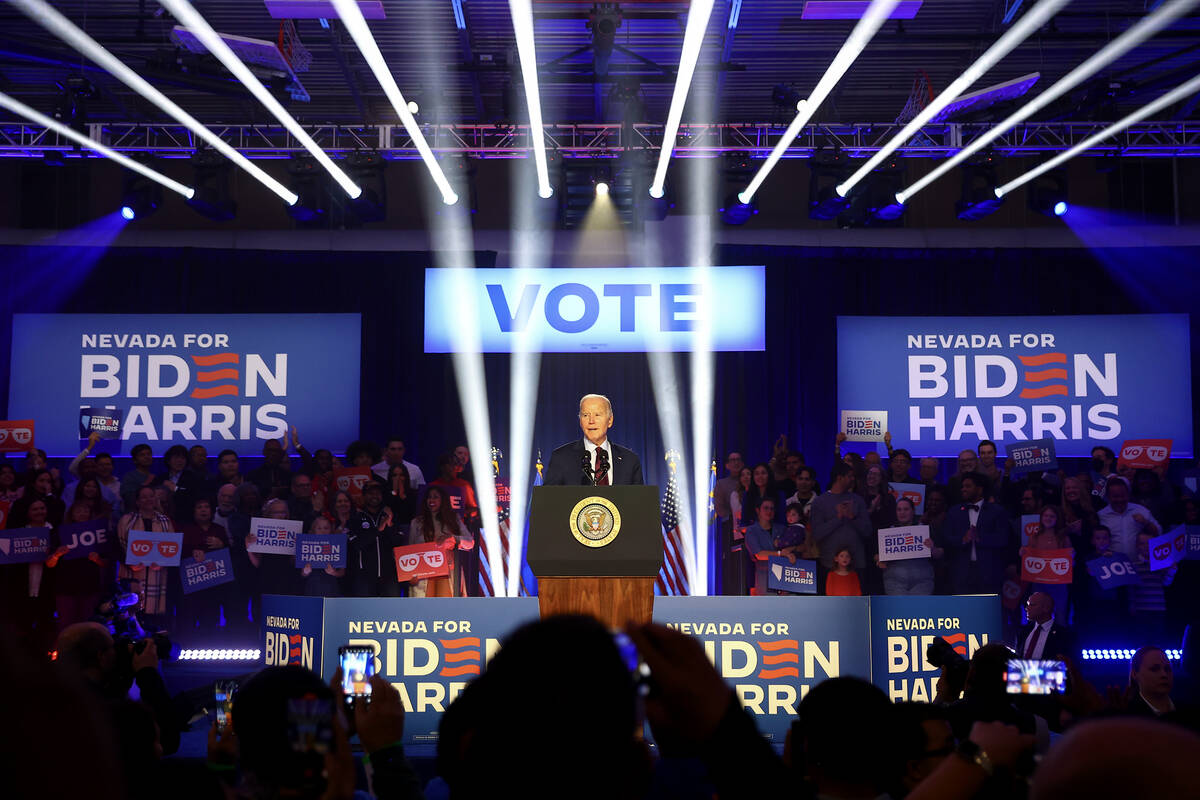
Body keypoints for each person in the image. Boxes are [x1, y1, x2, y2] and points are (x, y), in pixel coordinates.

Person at [543, 394, 644, 486]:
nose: (591, 421)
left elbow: (639, 502)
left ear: (610, 420)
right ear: (580, 421)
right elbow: (549, 501)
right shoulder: (561, 457)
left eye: (597, 415)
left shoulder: (630, 460)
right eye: (585, 415)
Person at [46, 500, 114, 631]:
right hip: (65, 587)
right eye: (78, 511)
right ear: (71, 514)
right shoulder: (60, 533)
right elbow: (49, 564)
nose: (82, 513)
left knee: (86, 625)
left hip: (89, 586)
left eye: (86, 510)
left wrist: (97, 559)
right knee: (65, 625)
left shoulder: (99, 533)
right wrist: (57, 555)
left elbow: (107, 563)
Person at [944, 472, 1012, 595]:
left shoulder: (997, 511)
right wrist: (963, 539)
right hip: (962, 572)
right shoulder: (954, 512)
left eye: (968, 486)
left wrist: (980, 538)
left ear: (980, 489)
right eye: (962, 486)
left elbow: (1003, 538)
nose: (963, 489)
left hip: (989, 572)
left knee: (988, 612)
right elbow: (948, 539)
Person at [116, 485, 175, 622]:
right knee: (132, 612)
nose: (148, 499)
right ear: (137, 501)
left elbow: (171, 547)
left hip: (157, 574)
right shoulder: (127, 520)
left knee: (154, 617)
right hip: (132, 573)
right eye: (144, 497)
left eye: (151, 496)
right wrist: (129, 562)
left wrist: (162, 562)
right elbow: (119, 546)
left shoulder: (165, 521)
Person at [810, 462, 872, 587]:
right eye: (850, 476)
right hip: (830, 565)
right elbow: (817, 534)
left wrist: (852, 517)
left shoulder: (857, 500)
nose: (853, 479)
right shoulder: (820, 502)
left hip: (856, 565)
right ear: (839, 478)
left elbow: (868, 531)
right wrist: (838, 518)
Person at [407, 485, 474, 597]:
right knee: (424, 609)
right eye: (429, 497)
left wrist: (452, 538)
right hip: (423, 572)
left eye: (435, 497)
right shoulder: (417, 522)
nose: (431, 500)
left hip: (447, 570)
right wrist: (410, 574)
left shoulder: (453, 519)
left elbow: (470, 542)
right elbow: (410, 550)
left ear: (443, 500)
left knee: (447, 608)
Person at [179, 497, 231, 633]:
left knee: (211, 621)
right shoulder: (185, 530)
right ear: (194, 511)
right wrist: (191, 552)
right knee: (188, 622)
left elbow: (230, 554)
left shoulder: (219, 529)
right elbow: (176, 553)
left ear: (212, 511)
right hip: (192, 587)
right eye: (199, 507)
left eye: (206, 507)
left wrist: (222, 545)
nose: (203, 510)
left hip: (214, 586)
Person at [345, 481, 402, 597]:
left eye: (377, 493)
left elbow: (399, 543)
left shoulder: (390, 515)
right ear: (364, 496)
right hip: (364, 577)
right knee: (364, 613)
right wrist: (378, 530)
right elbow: (357, 544)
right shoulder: (355, 517)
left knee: (392, 611)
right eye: (371, 493)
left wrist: (390, 524)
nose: (374, 496)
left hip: (389, 576)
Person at [878, 496, 939, 595]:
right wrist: (880, 561)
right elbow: (878, 557)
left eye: (906, 509)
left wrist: (932, 549)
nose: (902, 512)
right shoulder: (888, 533)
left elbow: (940, 553)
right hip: (895, 582)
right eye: (899, 510)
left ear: (913, 511)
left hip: (921, 583)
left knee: (917, 610)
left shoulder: (924, 530)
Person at [245, 498, 301, 597]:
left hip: (287, 581)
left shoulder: (294, 530)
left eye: (283, 512)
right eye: (276, 512)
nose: (280, 515)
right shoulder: (259, 530)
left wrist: (297, 549)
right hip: (266, 581)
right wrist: (249, 548)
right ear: (268, 514)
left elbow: (294, 562)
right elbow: (257, 563)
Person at [1099, 477, 1160, 559]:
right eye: (1115, 496)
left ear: (1128, 495)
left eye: (1123, 496)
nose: (1120, 499)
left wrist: (1146, 523)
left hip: (1140, 564)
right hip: (1113, 567)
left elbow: (1158, 533)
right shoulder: (1101, 516)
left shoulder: (1141, 510)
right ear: (1108, 497)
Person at [744, 497, 791, 596]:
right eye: (766, 508)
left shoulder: (781, 528)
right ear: (758, 510)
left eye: (772, 508)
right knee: (767, 608)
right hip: (763, 577)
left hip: (785, 576)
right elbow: (759, 554)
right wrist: (780, 553)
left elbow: (794, 547)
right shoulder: (751, 531)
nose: (769, 511)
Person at [1019, 591, 1079, 664]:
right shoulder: (1023, 631)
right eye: (1028, 604)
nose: (1027, 608)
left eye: (1032, 605)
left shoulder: (1064, 635)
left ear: (1046, 608)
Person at [298, 515, 345, 597]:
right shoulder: (306, 545)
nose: (322, 531)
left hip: (331, 587)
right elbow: (302, 574)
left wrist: (334, 573)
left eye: (326, 528)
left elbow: (342, 572)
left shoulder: (338, 544)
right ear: (314, 530)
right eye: (319, 528)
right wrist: (305, 572)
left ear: (331, 530)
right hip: (312, 587)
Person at [1126, 646, 1177, 716]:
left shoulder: (1190, 712)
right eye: (1154, 669)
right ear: (1135, 674)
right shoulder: (1127, 715)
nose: (1164, 674)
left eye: (1167, 669)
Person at [120, 444, 158, 512]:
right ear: (135, 460)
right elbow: (129, 500)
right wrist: (147, 483)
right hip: (135, 518)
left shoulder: (157, 477)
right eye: (142, 455)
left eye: (148, 454)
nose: (147, 457)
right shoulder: (129, 477)